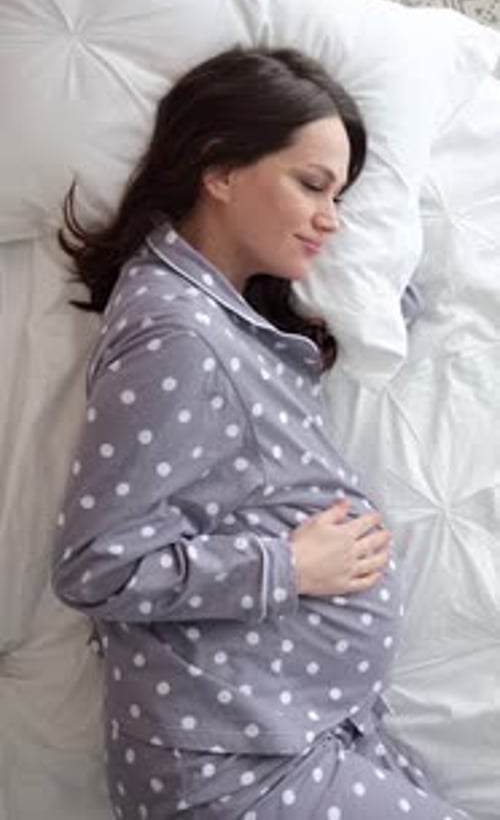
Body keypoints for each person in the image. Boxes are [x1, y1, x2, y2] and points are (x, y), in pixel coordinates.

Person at [52, 47, 469, 820]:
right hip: (231, 765)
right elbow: (96, 566)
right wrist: (289, 565)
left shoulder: (224, 315)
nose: (331, 218)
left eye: (339, 196)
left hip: (290, 728)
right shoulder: (175, 333)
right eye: (311, 185)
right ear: (219, 169)